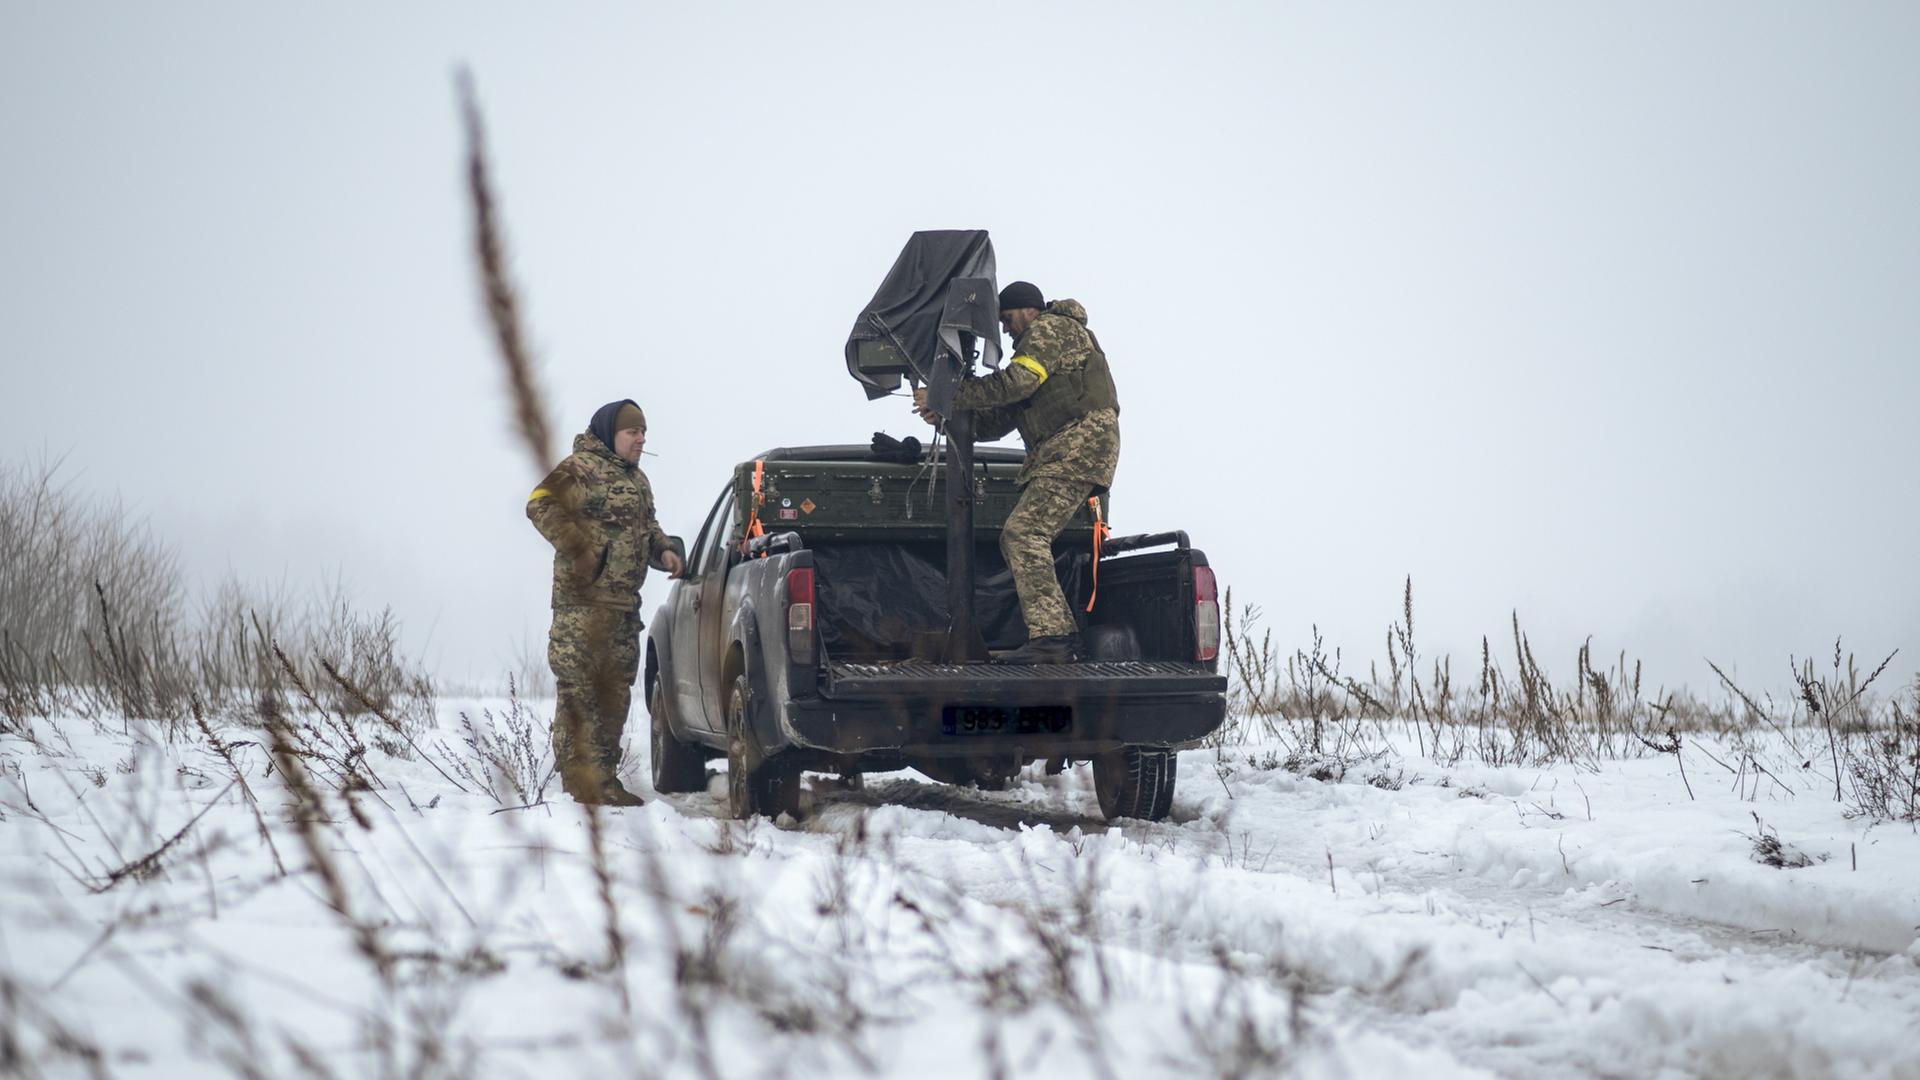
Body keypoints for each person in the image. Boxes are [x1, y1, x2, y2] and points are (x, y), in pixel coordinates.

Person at [916, 281, 1120, 663]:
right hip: (1069, 451)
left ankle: (1053, 640)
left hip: (1077, 447)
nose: (1006, 330)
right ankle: (1057, 637)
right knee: (1025, 534)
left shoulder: (1050, 329)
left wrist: (948, 393)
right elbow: (997, 421)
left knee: (1024, 534)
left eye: (1007, 320)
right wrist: (945, 415)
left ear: (1029, 310)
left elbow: (1018, 382)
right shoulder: (1045, 351)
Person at [526, 400, 684, 804]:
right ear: (611, 433)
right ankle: (578, 788)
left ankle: (603, 781)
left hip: (622, 609)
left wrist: (664, 551)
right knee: (581, 695)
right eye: (633, 432)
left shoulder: (638, 481)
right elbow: (539, 503)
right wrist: (580, 547)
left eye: (644, 432)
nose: (641, 439)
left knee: (614, 695)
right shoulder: (580, 467)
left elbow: (648, 528)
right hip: (582, 607)